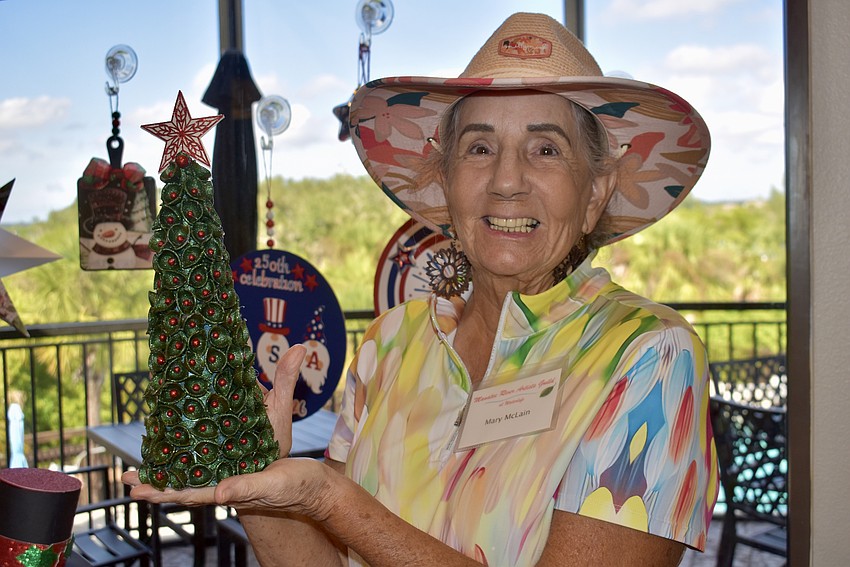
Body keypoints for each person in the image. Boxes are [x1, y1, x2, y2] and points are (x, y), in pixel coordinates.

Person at [125, 12, 718, 566]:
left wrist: (331, 500)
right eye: (479, 147)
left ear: (593, 193)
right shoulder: (392, 342)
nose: (507, 180)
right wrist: (257, 483)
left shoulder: (648, 357)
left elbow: (341, 511)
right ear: (445, 184)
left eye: (545, 149)